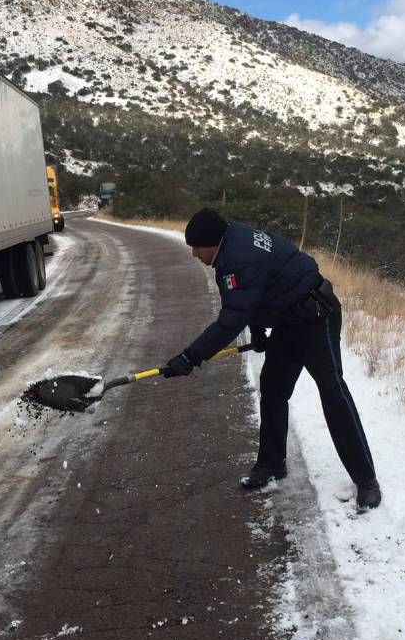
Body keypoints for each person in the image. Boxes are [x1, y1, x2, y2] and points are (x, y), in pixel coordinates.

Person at [161, 208, 381, 510]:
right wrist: (259, 330)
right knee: (274, 388)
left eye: (197, 247)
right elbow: (256, 295)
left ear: (214, 242)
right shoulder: (233, 235)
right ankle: (271, 464)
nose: (195, 254)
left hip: (316, 316)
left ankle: (366, 479)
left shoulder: (235, 261)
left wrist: (191, 357)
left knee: (332, 391)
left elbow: (231, 319)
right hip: (289, 319)